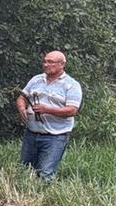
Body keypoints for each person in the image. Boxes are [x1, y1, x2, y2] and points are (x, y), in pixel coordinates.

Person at [16, 51, 83, 181]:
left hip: (55, 136)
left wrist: (47, 110)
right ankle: (25, 199)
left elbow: (72, 110)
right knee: (24, 170)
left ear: (62, 64)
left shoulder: (71, 85)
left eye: (50, 62)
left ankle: (43, 198)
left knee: (45, 173)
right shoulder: (36, 79)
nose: (46, 64)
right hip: (31, 133)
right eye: (45, 61)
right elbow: (22, 97)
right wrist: (21, 108)